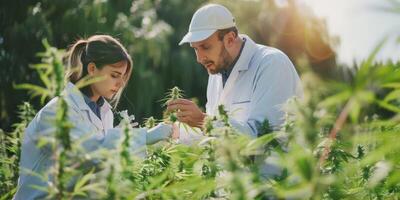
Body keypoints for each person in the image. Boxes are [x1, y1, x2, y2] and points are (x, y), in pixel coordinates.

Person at [14, 35, 176, 199]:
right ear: (92, 69)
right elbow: (86, 152)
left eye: (123, 77)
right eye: (114, 75)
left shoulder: (104, 114)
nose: (120, 84)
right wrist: (145, 136)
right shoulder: (56, 111)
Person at [167, 4, 303, 178]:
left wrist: (202, 120)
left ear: (230, 39)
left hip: (273, 188)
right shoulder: (216, 75)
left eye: (206, 47)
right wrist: (176, 131)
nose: (199, 58)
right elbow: (213, 136)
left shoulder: (271, 64)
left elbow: (262, 141)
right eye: (195, 49)